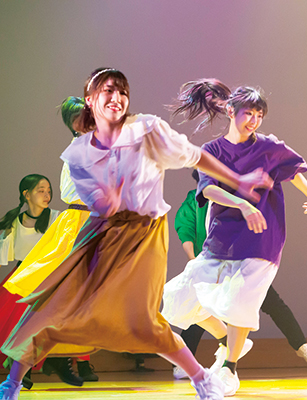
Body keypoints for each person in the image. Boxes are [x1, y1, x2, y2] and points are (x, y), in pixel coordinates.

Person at [0, 67, 273, 400]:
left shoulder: (147, 128)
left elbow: (194, 156)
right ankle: (11, 383)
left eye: (122, 92)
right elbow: (100, 202)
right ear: (90, 103)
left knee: (143, 319)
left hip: (144, 236)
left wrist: (238, 180)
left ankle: (202, 379)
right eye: (107, 92)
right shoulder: (79, 153)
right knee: (52, 305)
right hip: (100, 234)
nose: (116, 98)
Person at [162, 78, 307, 396]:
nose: (254, 120)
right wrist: (242, 204)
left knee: (242, 299)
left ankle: (230, 368)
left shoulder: (268, 146)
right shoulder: (212, 151)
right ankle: (227, 340)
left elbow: (292, 169)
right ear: (231, 111)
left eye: (259, 115)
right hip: (222, 238)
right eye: (249, 113)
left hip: (262, 238)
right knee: (177, 299)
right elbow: (208, 190)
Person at [171, 171, 307, 380]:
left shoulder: (235, 196)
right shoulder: (195, 200)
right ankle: (189, 361)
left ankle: (300, 344)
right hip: (210, 262)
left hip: (240, 263)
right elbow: (185, 228)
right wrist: (194, 260)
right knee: (197, 305)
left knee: (270, 303)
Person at [1, 97, 98, 389]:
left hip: (94, 221)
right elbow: (72, 191)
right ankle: (29, 363)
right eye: (85, 118)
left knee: (79, 296)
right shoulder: (77, 150)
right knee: (53, 293)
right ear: (75, 124)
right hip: (79, 222)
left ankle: (56, 356)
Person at [0, 174, 60, 389]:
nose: (46, 195)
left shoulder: (57, 218)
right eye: (41, 190)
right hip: (22, 275)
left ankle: (28, 366)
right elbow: (4, 254)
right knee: (12, 320)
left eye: (49, 191)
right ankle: (16, 366)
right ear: (26, 194)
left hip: (46, 277)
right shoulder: (15, 221)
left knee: (38, 323)